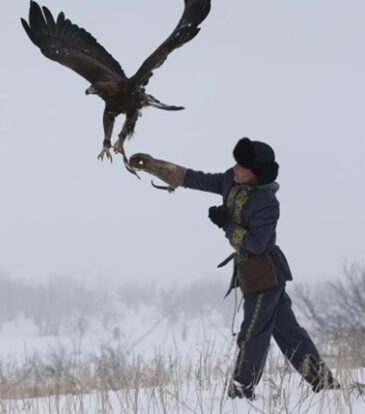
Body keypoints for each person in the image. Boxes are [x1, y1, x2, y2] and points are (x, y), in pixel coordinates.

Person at [129, 137, 339, 400]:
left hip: (264, 275)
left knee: (251, 334)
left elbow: (255, 245)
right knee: (288, 332)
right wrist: (155, 166)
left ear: (257, 173)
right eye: (236, 162)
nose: (235, 167)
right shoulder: (231, 178)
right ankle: (325, 383)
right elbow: (198, 179)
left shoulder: (267, 203)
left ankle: (240, 391)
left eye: (242, 165)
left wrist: (227, 224)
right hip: (252, 272)